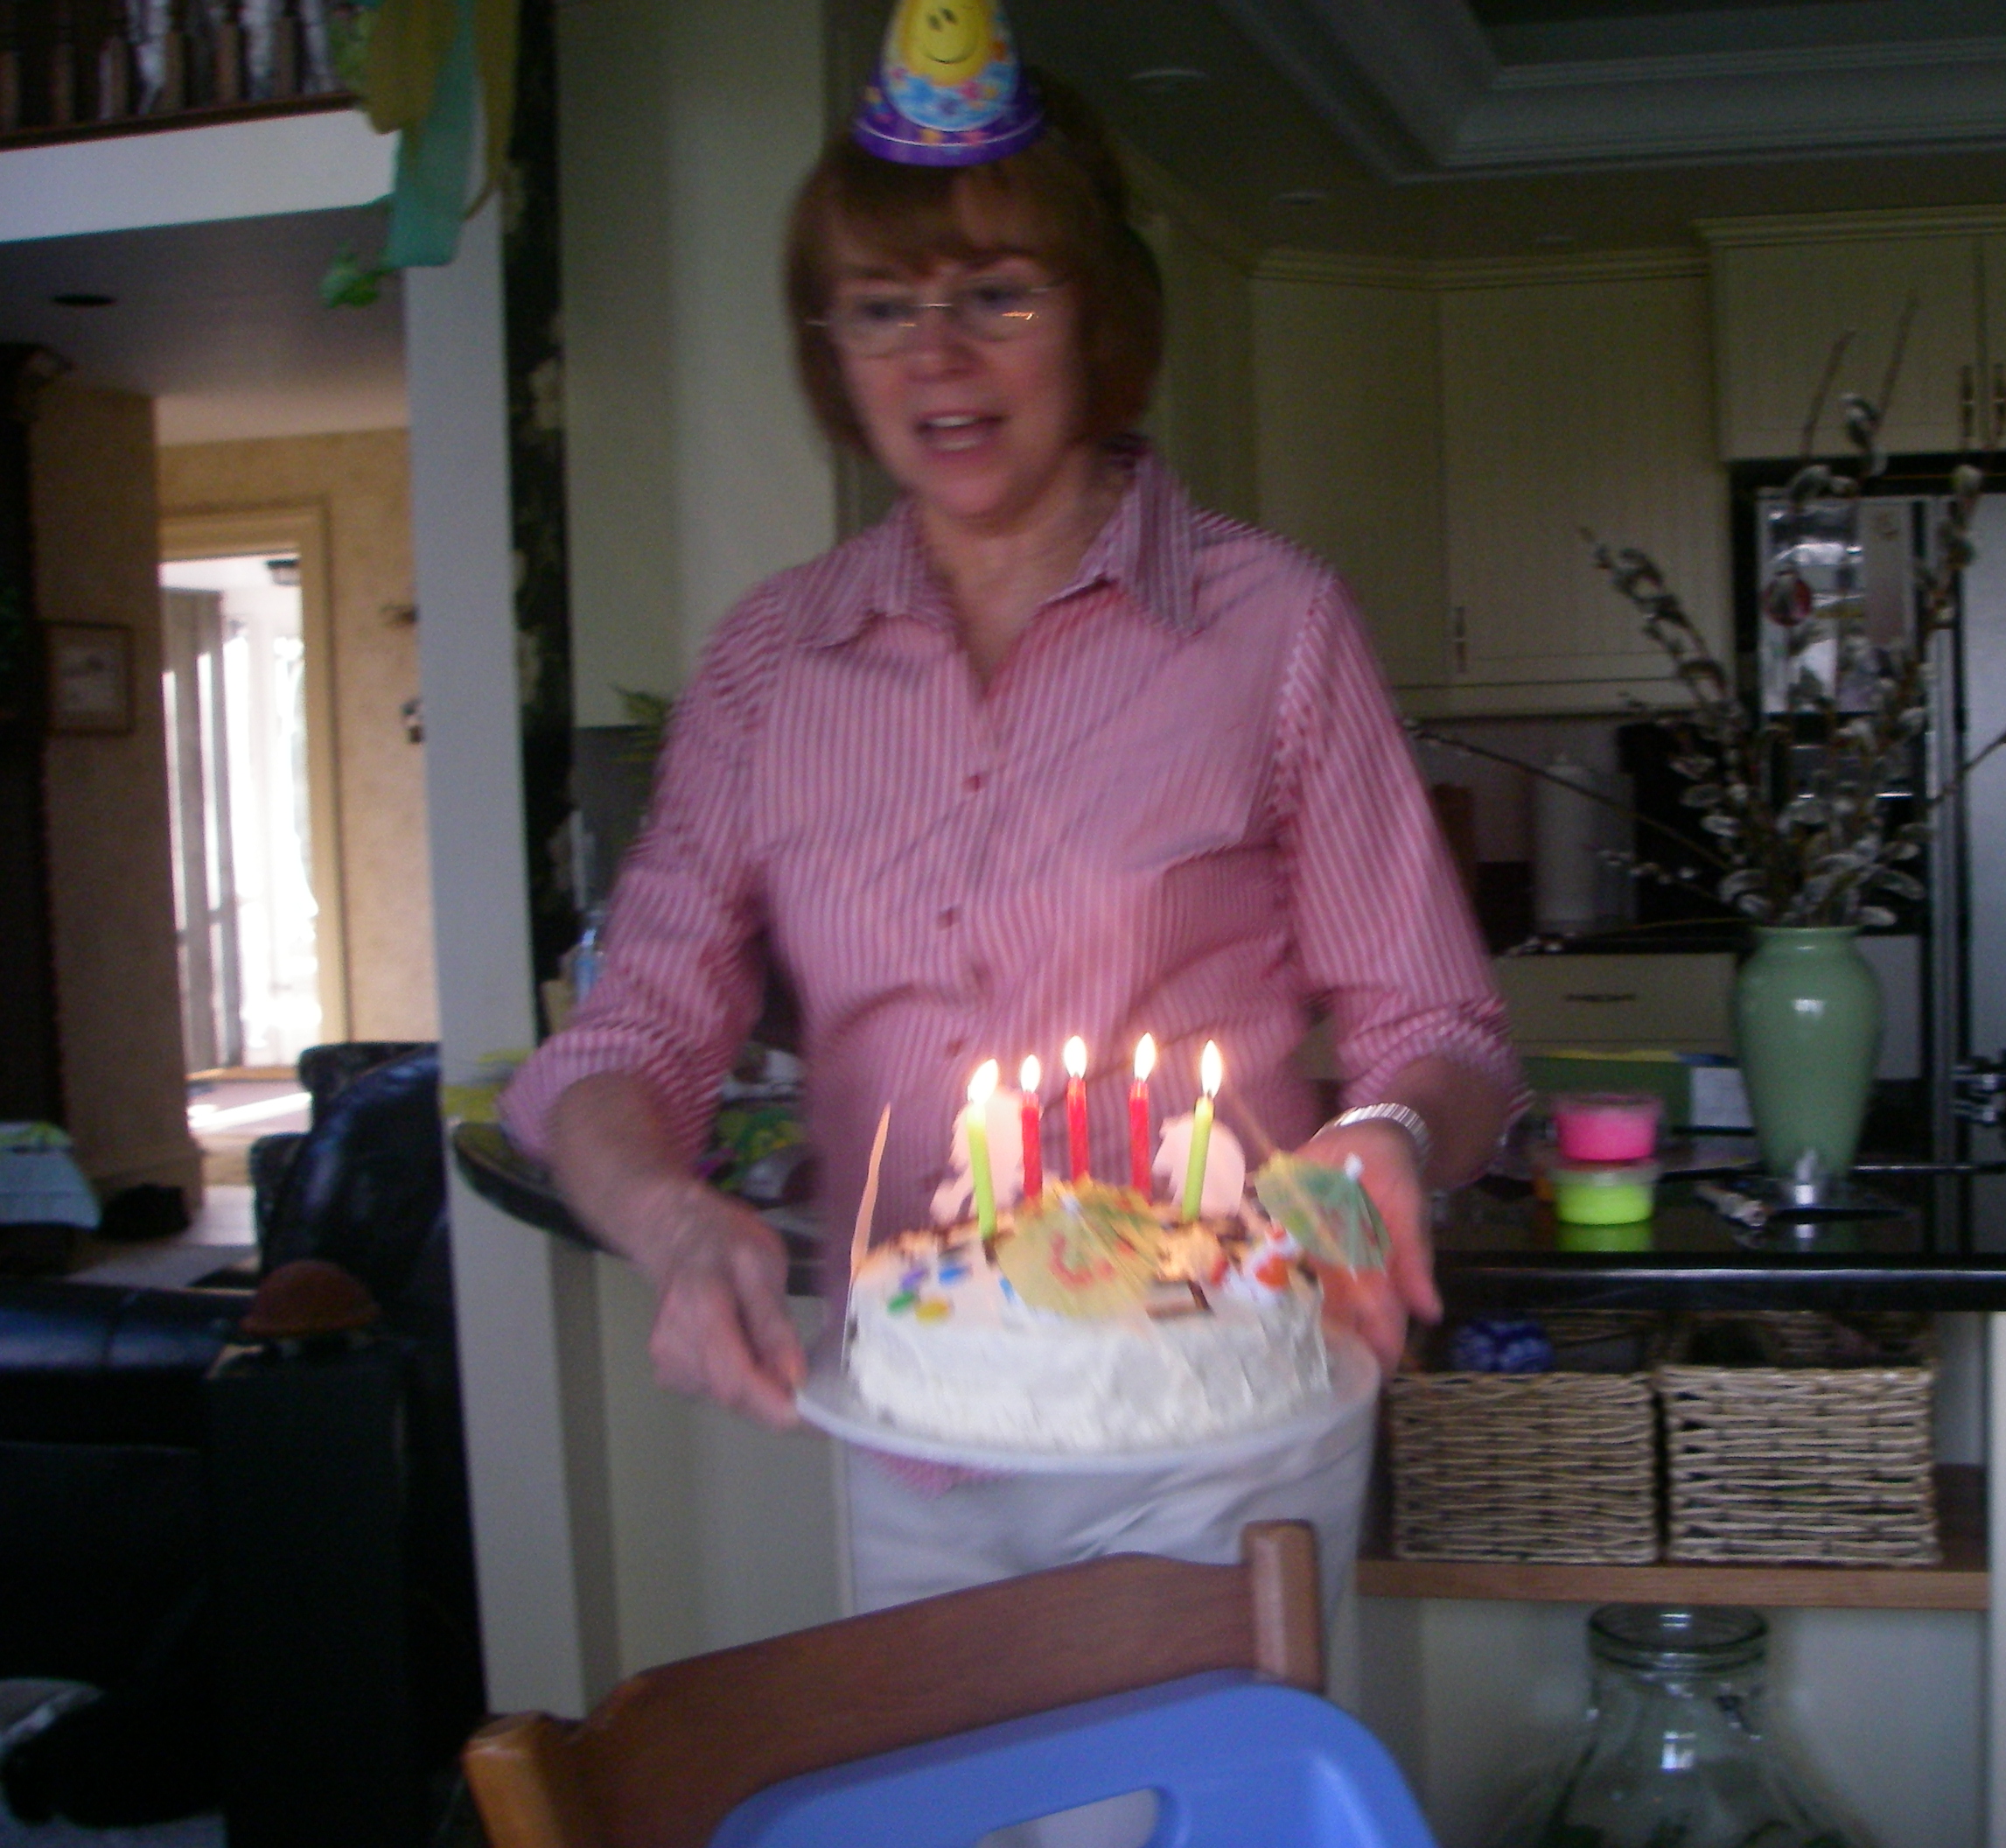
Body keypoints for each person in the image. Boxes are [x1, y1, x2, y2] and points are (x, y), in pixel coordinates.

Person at [499, 1, 1516, 1608]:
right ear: (829, 350)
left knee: (1208, 1764)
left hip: (1224, 1423)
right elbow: (629, 1042)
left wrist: (1386, 1139)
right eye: (878, 308)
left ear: (1096, 310)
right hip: (923, 1422)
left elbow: (1440, 1026)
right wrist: (668, 1222)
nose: (936, 357)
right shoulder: (771, 663)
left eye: (997, 293)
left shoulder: (1273, 625)